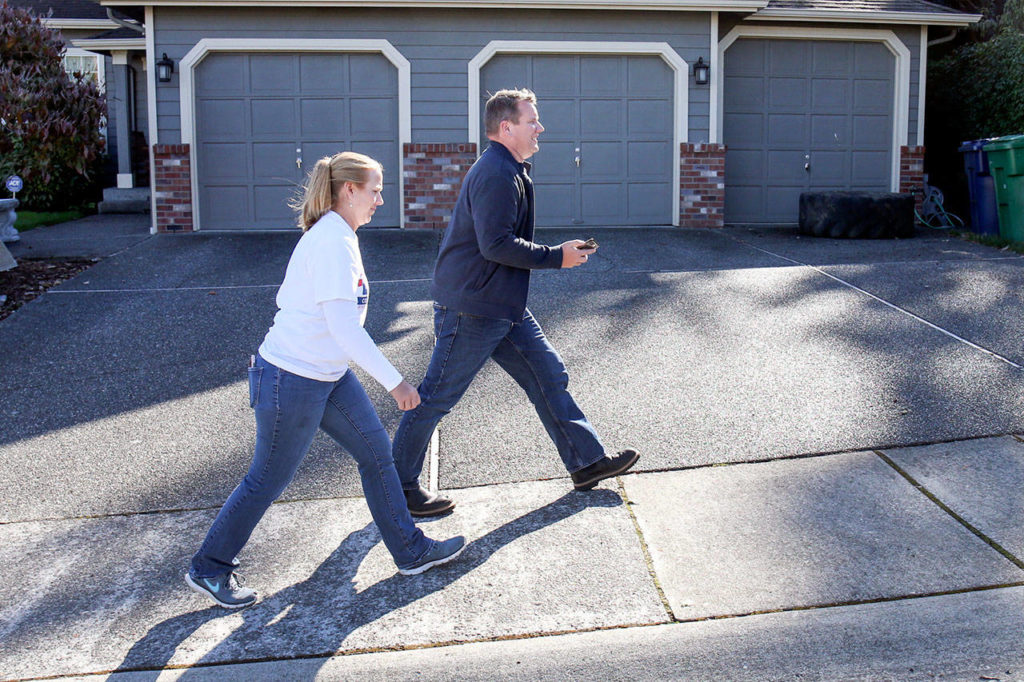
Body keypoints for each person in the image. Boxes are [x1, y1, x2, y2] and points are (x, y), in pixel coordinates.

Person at [186, 152, 465, 609]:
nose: (380, 199)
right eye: (374, 190)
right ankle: (209, 567)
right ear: (348, 190)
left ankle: (411, 551)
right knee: (266, 481)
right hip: (291, 379)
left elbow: (339, 331)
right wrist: (397, 383)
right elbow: (345, 329)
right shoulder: (331, 242)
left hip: (327, 376)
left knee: (377, 455)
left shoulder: (341, 236)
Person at [393, 89, 639, 517]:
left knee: (549, 376)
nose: (540, 127)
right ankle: (396, 488)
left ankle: (586, 462)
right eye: (532, 121)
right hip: (473, 308)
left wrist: (556, 253)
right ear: (506, 128)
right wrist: (556, 257)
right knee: (435, 397)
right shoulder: (496, 174)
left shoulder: (510, 169)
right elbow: (496, 245)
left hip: (501, 305)